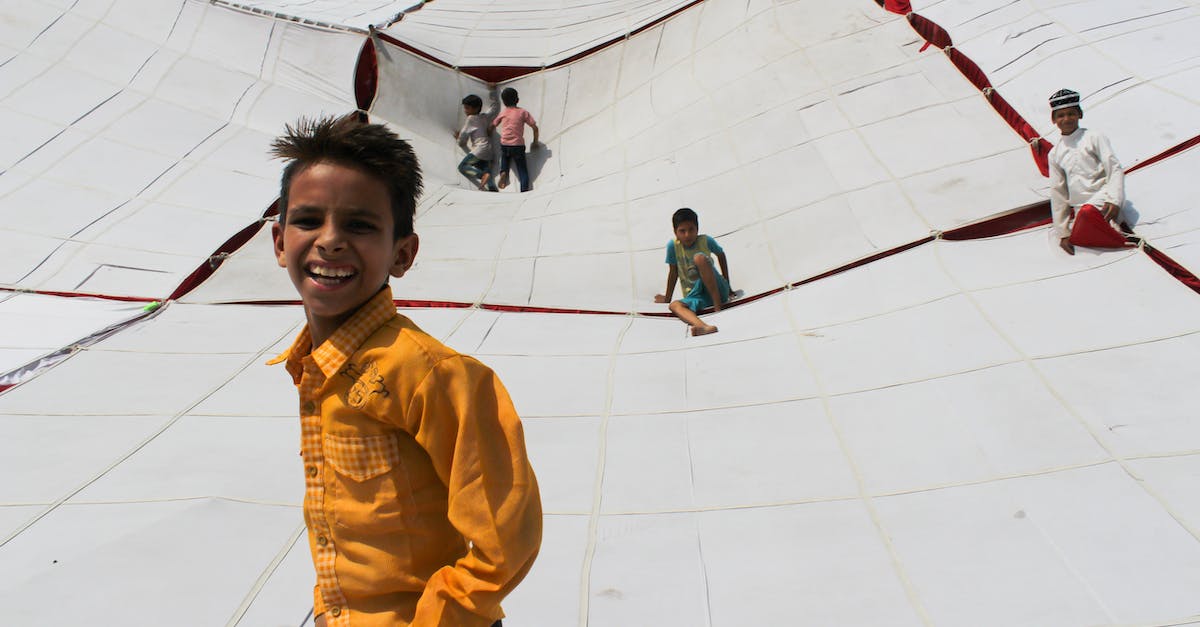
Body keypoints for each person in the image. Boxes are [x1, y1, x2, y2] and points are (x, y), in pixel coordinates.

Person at [267, 114, 542, 627]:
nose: (330, 240)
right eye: (308, 220)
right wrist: (329, 607)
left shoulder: (432, 376)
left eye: (360, 225)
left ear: (403, 253)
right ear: (280, 242)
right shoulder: (314, 368)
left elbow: (506, 539)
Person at [1047, 88, 1128, 255]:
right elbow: (1058, 192)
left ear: (1080, 114)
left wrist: (1114, 200)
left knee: (1092, 217)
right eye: (1061, 115)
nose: (1066, 119)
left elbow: (1114, 168)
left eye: (1071, 114)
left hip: (1103, 201)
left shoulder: (1094, 137)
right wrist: (1063, 233)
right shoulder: (1055, 153)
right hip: (1080, 209)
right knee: (1085, 230)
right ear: (1053, 119)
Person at [654, 207, 733, 336]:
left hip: (717, 291)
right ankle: (702, 326)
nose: (687, 235)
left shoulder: (705, 241)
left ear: (697, 229)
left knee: (699, 258)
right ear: (675, 232)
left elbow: (721, 254)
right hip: (697, 296)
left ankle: (718, 308)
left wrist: (728, 286)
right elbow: (673, 272)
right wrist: (667, 298)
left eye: (691, 230)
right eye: (682, 231)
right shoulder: (673, 246)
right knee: (674, 305)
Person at [489, 87, 539, 192]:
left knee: (504, 157)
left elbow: (493, 125)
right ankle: (524, 190)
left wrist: (488, 133)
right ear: (517, 100)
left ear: (503, 102)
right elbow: (535, 128)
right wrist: (535, 142)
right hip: (518, 145)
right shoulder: (523, 112)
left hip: (505, 144)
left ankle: (503, 172)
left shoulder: (503, 112)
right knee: (522, 169)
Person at [454, 93, 498, 191]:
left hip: (479, 150)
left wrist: (459, 140)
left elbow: (464, 134)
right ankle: (492, 189)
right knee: (487, 172)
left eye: (467, 108)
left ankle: (481, 176)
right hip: (488, 152)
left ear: (476, 108)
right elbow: (494, 108)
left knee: (463, 167)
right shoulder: (484, 117)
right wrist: (493, 92)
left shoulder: (470, 119)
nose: (465, 111)